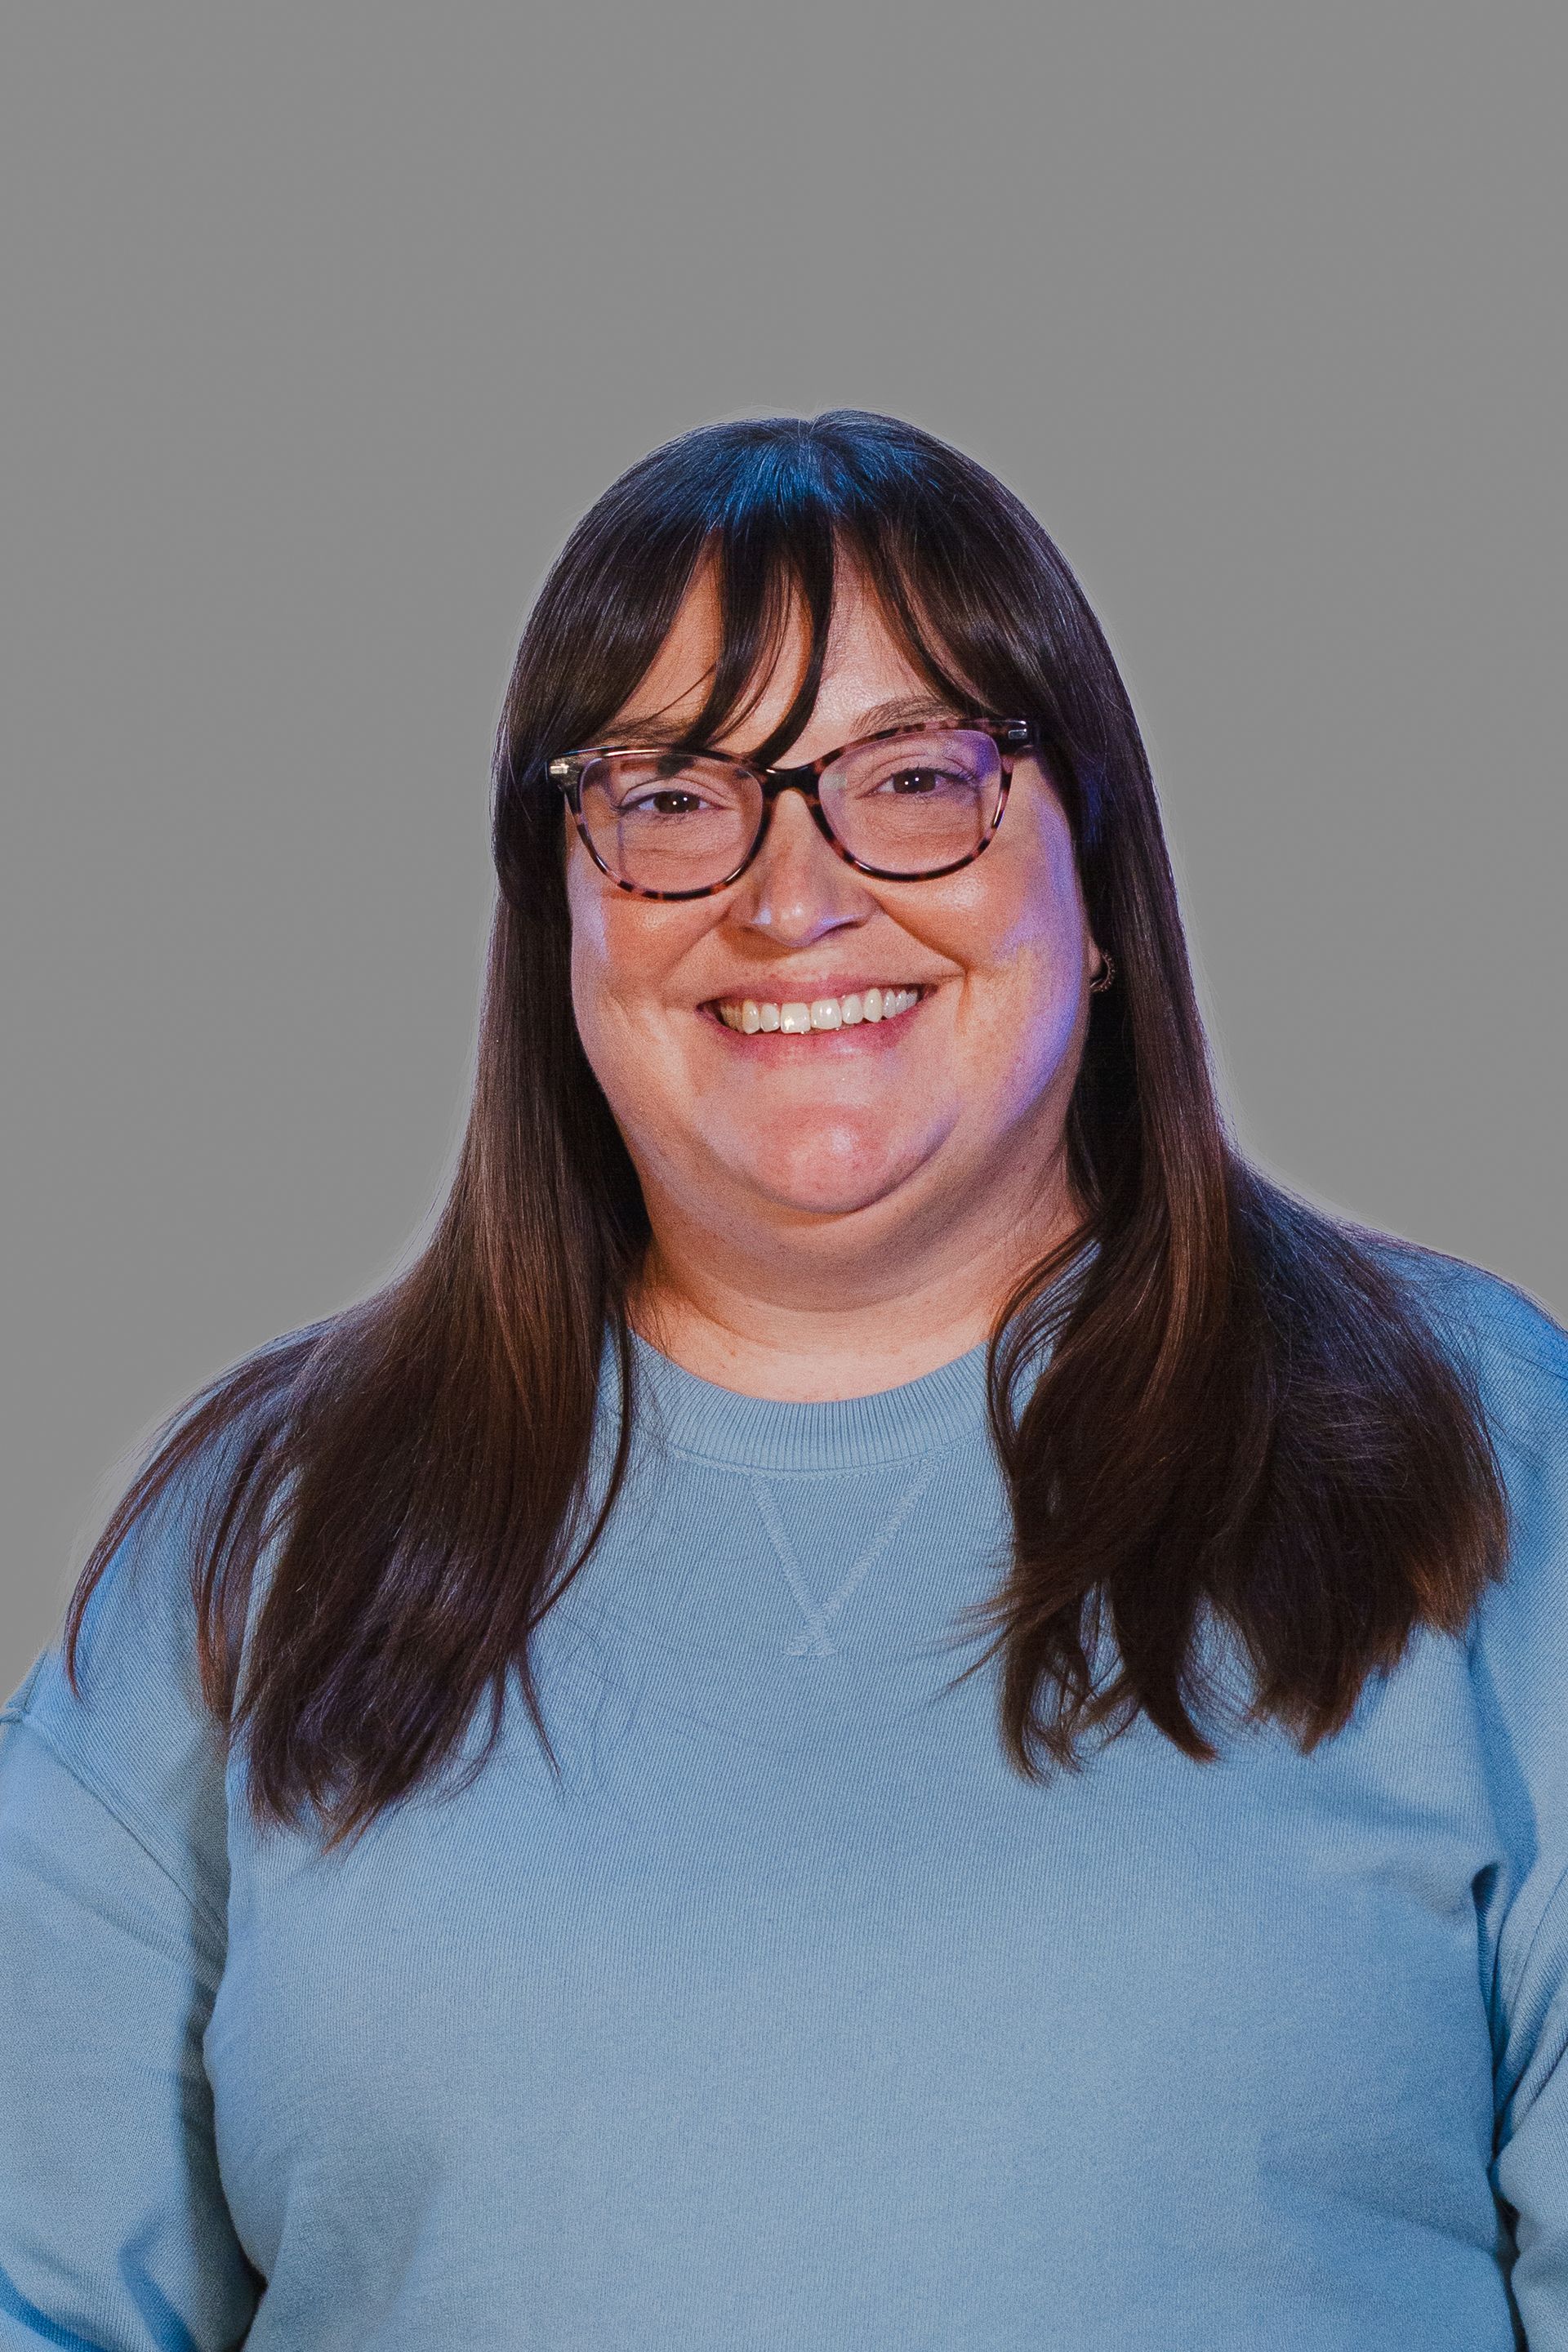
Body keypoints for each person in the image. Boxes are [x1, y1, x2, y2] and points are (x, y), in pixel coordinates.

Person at [2, 408, 1565, 2351]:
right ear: (562, 916)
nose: (791, 897)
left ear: (1096, 885)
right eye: (674, 797)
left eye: (915, 779)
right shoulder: (266, 1538)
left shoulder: (1480, 1453)